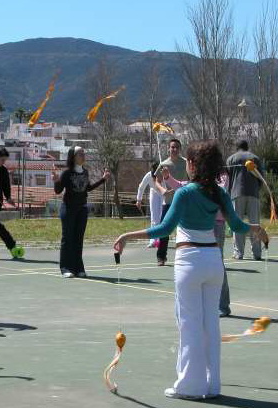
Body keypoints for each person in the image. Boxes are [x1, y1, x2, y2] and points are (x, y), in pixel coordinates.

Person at [114, 141, 268, 400]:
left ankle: (189, 386)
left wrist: (128, 235)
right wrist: (256, 228)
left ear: (194, 165)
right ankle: (211, 385)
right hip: (213, 262)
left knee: (189, 326)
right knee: (211, 324)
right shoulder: (218, 192)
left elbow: (164, 228)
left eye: (188, 161)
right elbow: (237, 225)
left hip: (190, 263)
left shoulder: (185, 194)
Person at [162, 169, 232, 317]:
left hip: (217, 224)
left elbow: (221, 189)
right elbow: (182, 186)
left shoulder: (221, 178)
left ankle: (223, 305)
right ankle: (207, 304)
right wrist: (168, 177)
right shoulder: (195, 184)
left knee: (218, 264)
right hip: (205, 226)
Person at [53, 146, 110, 278]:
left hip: (82, 209)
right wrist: (56, 181)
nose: (83, 156)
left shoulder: (85, 172)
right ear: (73, 157)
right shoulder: (66, 173)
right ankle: (66, 268)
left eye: (84, 153)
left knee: (79, 240)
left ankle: (79, 268)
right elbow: (58, 191)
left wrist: (103, 179)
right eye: (80, 154)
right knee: (67, 239)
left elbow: (87, 188)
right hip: (68, 209)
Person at [226, 141, 263, 260]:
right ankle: (257, 253)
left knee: (237, 223)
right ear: (248, 147)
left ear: (236, 148)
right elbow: (261, 177)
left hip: (237, 193)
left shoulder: (231, 159)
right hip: (253, 193)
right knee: (255, 223)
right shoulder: (255, 158)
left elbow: (228, 178)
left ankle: (238, 252)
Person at [154, 139, 188, 266]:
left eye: (177, 147)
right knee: (164, 230)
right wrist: (162, 190)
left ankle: (186, 256)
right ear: (168, 148)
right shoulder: (164, 164)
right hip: (168, 202)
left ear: (180, 149)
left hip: (183, 202)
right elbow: (156, 181)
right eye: (172, 147)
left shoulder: (186, 163)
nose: (174, 149)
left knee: (185, 230)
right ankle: (161, 257)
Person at [136, 163, 163, 248]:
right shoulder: (148, 176)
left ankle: (161, 240)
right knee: (154, 218)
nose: (155, 178)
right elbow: (141, 187)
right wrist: (139, 200)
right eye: (153, 176)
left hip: (163, 193)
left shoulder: (164, 174)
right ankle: (153, 240)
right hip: (154, 193)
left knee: (162, 217)